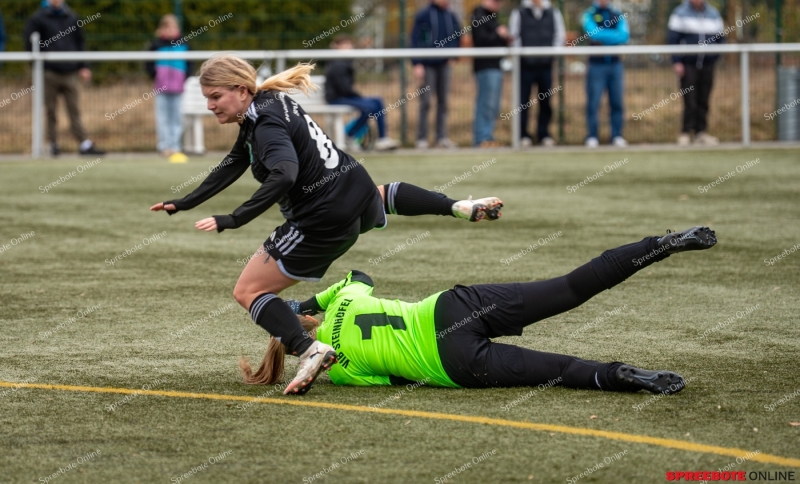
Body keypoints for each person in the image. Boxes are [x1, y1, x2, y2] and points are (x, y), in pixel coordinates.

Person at [150, 54, 503, 395]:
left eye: (215, 96)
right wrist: (184, 202)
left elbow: (284, 174)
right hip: (356, 191)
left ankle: (308, 349)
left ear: (242, 90)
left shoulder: (264, 124)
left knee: (248, 292)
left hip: (322, 219)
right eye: (207, 97)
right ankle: (458, 206)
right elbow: (232, 163)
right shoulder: (268, 103)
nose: (211, 105)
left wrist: (234, 218)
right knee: (382, 194)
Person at [243, 226, 717, 395]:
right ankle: (659, 245)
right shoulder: (346, 297)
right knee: (570, 287)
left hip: (453, 363)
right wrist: (310, 303)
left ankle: (625, 377)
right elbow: (361, 274)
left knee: (561, 369)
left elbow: (398, 379)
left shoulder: (338, 371)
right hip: (452, 308)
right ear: (302, 317)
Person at [23, 0, 105, 157]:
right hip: (49, 73)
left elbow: (80, 43)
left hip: (70, 72)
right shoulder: (38, 18)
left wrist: (84, 66)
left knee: (74, 110)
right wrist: (38, 67)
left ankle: (83, 144)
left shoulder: (72, 17)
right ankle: (53, 145)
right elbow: (30, 44)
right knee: (50, 110)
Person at [324, 35, 400, 152]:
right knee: (368, 108)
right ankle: (349, 135)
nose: (348, 48)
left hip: (345, 96)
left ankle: (382, 139)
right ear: (337, 47)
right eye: (344, 45)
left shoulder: (345, 61)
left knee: (377, 101)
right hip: (337, 98)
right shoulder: (337, 64)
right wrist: (359, 97)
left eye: (349, 45)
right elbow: (344, 89)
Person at [509, 0, 566, 147]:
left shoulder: (554, 13)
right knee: (522, 102)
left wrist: (552, 55)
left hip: (546, 65)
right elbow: (514, 37)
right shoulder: (519, 13)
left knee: (546, 101)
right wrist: (522, 57)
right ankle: (523, 135)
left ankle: (543, 134)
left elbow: (559, 36)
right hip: (525, 66)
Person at [668, 0, 724, 146]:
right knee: (689, 100)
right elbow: (673, 39)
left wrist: (714, 57)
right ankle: (685, 133)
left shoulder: (713, 14)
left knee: (704, 99)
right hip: (688, 65)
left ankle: (701, 133)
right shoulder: (679, 13)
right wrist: (677, 61)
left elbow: (721, 39)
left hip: (708, 65)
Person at [411, 0, 461, 149]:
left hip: (444, 65)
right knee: (425, 102)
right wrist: (417, 62)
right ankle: (422, 138)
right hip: (427, 65)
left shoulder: (451, 15)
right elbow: (414, 39)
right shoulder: (423, 15)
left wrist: (453, 56)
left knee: (443, 102)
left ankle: (441, 137)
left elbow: (457, 36)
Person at [580, 0, 629, 149]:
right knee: (593, 102)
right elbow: (593, 33)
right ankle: (592, 136)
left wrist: (603, 37)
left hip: (615, 64)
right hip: (596, 65)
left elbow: (624, 36)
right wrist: (612, 36)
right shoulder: (589, 14)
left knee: (617, 102)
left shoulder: (618, 14)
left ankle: (616, 135)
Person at [146, 14, 192, 163]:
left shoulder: (184, 44)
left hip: (178, 88)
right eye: (168, 27)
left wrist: (184, 77)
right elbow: (148, 63)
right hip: (161, 88)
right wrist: (155, 75)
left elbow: (190, 64)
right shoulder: (156, 45)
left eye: (173, 27)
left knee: (177, 117)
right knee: (162, 117)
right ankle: (164, 146)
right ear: (162, 29)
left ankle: (175, 146)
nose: (171, 30)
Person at [470, 0, 510, 148]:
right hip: (485, 67)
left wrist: (504, 37)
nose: (498, 4)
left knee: (493, 104)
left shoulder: (492, 17)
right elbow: (481, 40)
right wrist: (499, 34)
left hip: (495, 65)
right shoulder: (479, 15)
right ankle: (481, 138)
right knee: (485, 103)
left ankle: (488, 136)